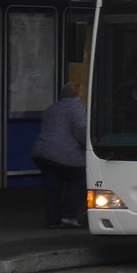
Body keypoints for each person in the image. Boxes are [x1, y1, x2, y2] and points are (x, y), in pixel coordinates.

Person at [31, 82, 88, 229]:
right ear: (78, 94)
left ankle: (52, 220)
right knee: (78, 180)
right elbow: (82, 130)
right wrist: (88, 145)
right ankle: (69, 216)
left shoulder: (52, 108)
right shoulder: (77, 108)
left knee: (52, 188)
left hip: (42, 153)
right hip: (66, 154)